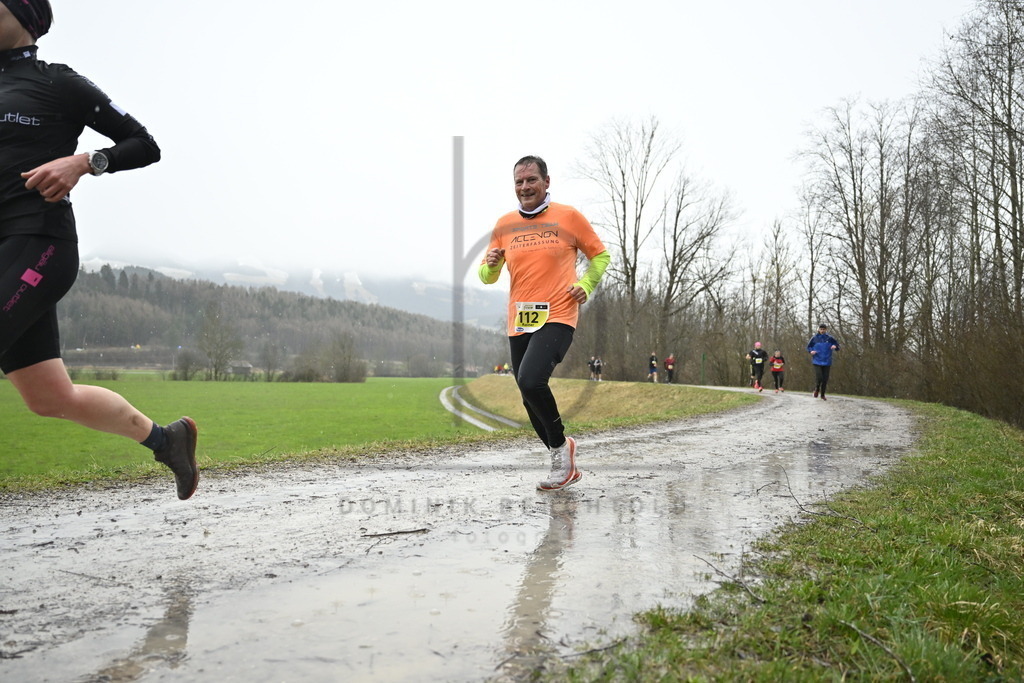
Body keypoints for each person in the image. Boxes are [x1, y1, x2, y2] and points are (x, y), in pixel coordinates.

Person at [0, 1, 199, 500]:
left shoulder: (59, 84)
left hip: (36, 242)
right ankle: (167, 440)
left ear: (24, 18)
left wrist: (86, 161)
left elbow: (144, 144)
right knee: (50, 398)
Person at [479, 155, 609, 491]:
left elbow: (600, 255)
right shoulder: (505, 224)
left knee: (532, 379)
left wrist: (586, 285)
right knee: (527, 392)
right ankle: (561, 455)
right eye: (519, 182)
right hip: (520, 319)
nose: (525, 187)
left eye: (531, 180)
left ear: (546, 182)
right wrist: (491, 264)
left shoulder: (568, 217)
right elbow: (487, 277)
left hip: (559, 313)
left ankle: (561, 455)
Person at [807, 323, 840, 400]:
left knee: (825, 379)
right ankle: (817, 389)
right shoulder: (814, 338)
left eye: (824, 329)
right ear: (818, 329)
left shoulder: (830, 338)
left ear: (826, 330)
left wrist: (835, 346)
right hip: (817, 361)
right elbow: (808, 347)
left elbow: (838, 346)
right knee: (819, 377)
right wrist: (811, 351)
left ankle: (822, 395)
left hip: (827, 361)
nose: (822, 331)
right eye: (821, 329)